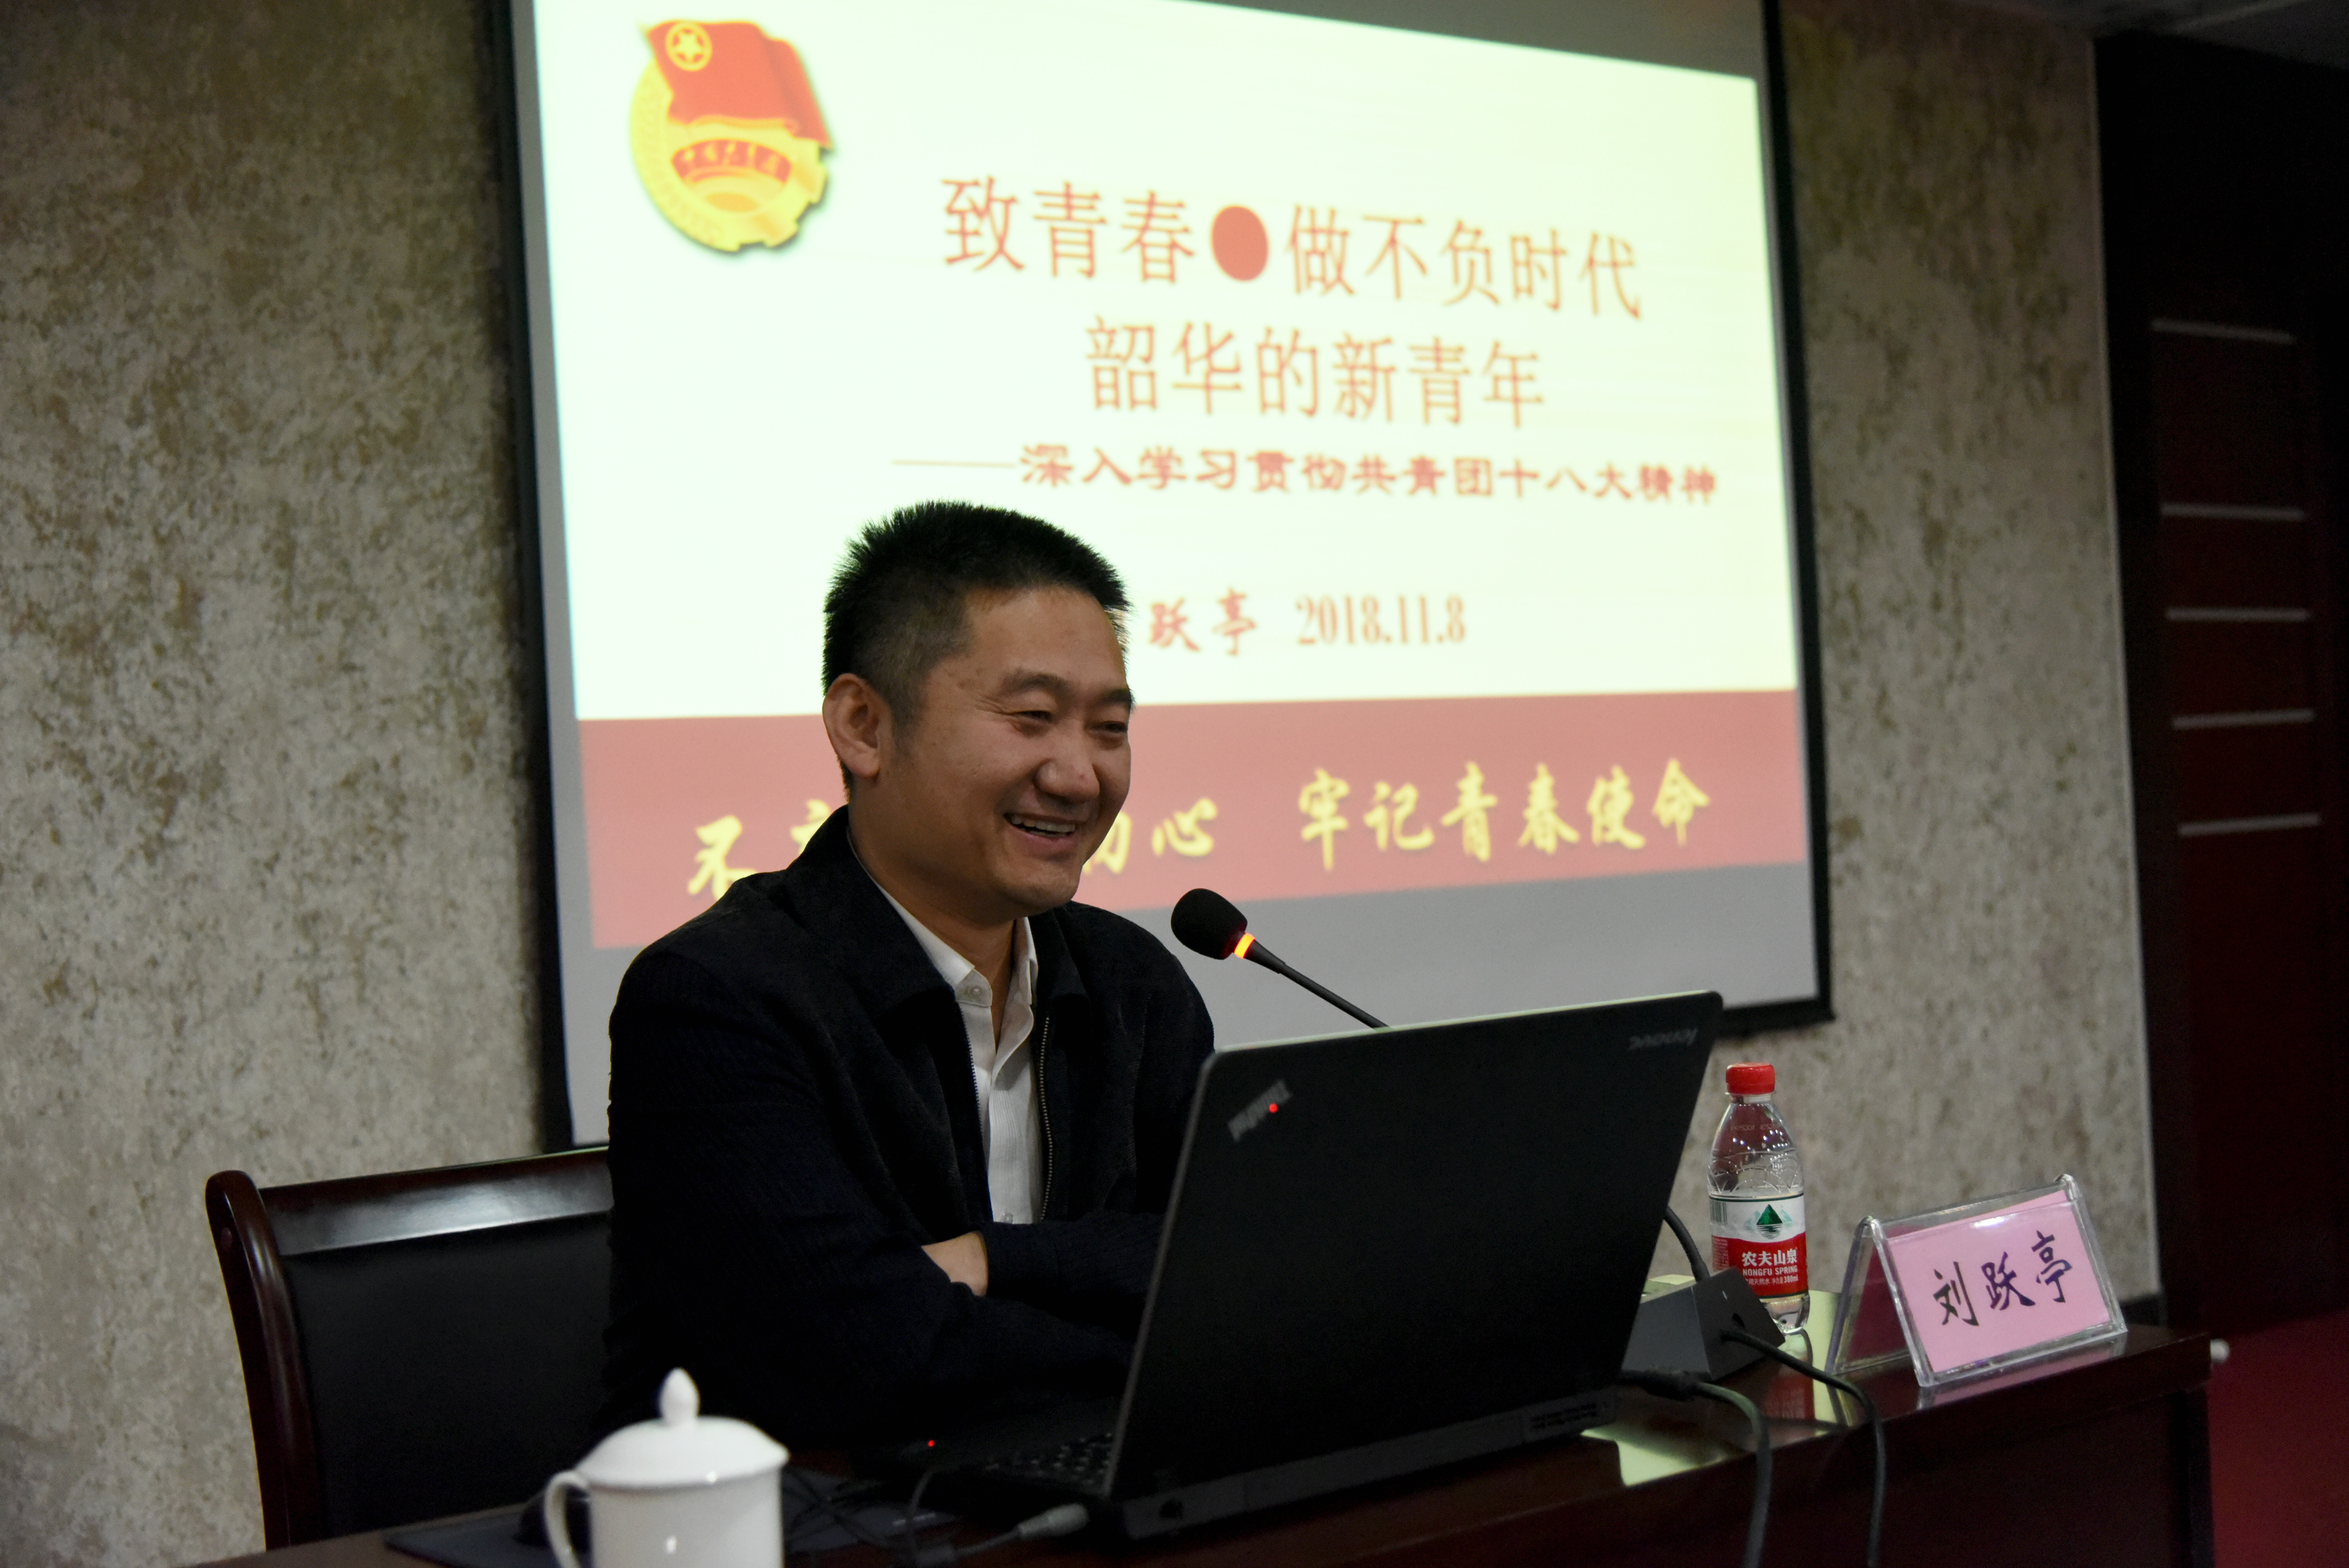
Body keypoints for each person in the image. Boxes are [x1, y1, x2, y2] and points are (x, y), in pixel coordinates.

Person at [600, 501, 1215, 1447]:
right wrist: (1160, 1346)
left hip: (1101, 1490)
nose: (1079, 776)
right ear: (864, 726)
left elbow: (1237, 1269)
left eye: (1108, 727)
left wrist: (992, 1262)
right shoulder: (715, 998)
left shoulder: (1133, 985)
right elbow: (862, 1357)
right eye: (1032, 718)